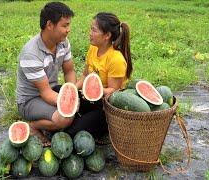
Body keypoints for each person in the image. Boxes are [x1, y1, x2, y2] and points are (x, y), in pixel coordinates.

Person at [64, 12, 133, 141]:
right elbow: (85, 75)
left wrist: (92, 92)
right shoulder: (93, 48)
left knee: (70, 132)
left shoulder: (116, 60)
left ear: (107, 35)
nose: (90, 33)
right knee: (58, 90)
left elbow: (114, 92)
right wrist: (72, 89)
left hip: (106, 110)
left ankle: (98, 127)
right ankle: (81, 118)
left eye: (94, 30)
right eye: (91, 29)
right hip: (91, 100)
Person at [16, 2, 76, 146]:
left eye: (69, 25)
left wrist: (72, 93)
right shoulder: (31, 53)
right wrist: (69, 103)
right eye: (65, 25)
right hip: (30, 100)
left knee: (76, 110)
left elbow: (69, 71)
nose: (68, 30)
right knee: (65, 118)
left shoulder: (63, 43)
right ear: (50, 25)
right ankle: (34, 126)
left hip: (51, 91)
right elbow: (45, 92)